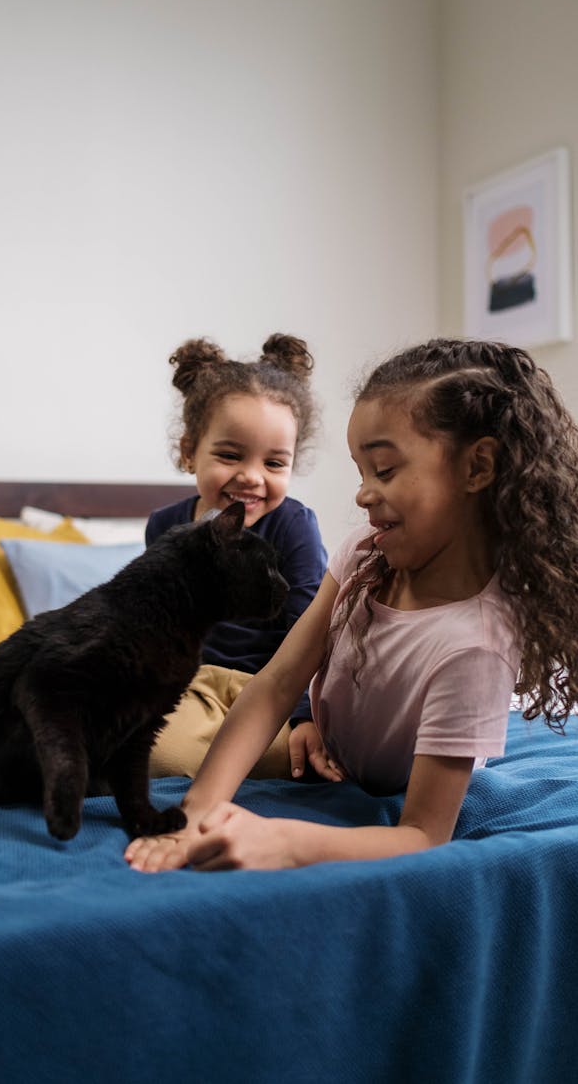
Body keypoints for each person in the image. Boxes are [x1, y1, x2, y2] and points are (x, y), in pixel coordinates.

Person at [127, 337, 578, 872]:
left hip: (377, 775)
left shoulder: (475, 645)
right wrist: (199, 808)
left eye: (383, 470)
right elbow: (277, 682)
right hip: (321, 742)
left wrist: (284, 841)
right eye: (361, 472)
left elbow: (423, 836)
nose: (362, 494)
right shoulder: (365, 554)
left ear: (477, 468)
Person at [146, 333, 327, 779]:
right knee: (157, 755)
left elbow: (310, 632)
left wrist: (306, 715)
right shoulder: (165, 527)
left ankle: (234, 759)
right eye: (230, 455)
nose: (250, 477)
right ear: (190, 452)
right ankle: (222, 760)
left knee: (318, 754)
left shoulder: (294, 526)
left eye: (273, 464)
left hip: (271, 689)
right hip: (191, 688)